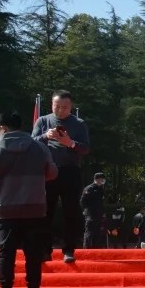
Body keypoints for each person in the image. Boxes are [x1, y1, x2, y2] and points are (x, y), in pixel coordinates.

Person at [0, 113, 57, 288]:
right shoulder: (40, 148)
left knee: (5, 252)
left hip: (4, 209)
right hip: (34, 207)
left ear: (2, 128)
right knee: (33, 252)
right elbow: (52, 173)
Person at [31, 90, 90, 264]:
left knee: (71, 211)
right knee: (45, 211)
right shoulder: (43, 121)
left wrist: (70, 143)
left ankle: (69, 250)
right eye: (57, 106)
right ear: (52, 104)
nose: (60, 110)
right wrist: (45, 136)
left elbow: (85, 148)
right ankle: (45, 250)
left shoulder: (79, 123)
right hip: (47, 171)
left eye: (65, 107)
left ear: (70, 107)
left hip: (70, 171)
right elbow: (31, 143)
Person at [79, 172, 107, 248]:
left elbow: (101, 202)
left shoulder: (101, 189)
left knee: (97, 233)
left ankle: (96, 250)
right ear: (97, 179)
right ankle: (86, 249)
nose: (103, 181)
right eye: (102, 179)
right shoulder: (89, 189)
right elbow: (83, 201)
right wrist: (85, 210)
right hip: (90, 214)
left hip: (99, 214)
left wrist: (102, 213)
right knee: (89, 232)